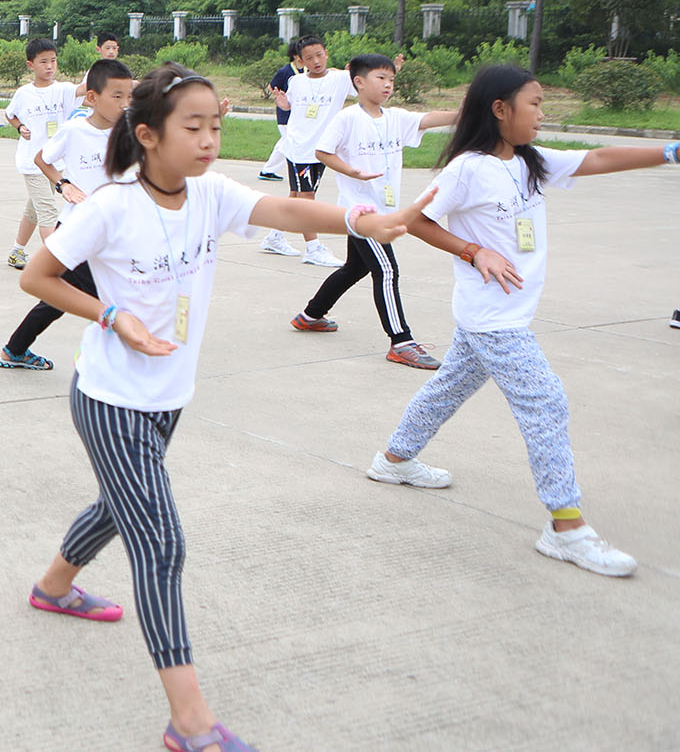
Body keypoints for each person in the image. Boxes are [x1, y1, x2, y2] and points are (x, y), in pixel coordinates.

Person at [20, 63, 426, 752]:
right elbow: (38, 275)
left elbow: (285, 210)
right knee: (161, 542)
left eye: (215, 125)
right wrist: (112, 315)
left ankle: (54, 586)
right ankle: (189, 722)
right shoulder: (110, 206)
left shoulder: (209, 193)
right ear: (148, 135)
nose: (210, 139)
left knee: (121, 503)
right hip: (111, 398)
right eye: (194, 127)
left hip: (169, 394)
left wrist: (362, 219)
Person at [368, 64, 679, 578]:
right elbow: (414, 219)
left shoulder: (529, 160)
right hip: (493, 317)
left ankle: (394, 460)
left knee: (448, 387)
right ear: (500, 109)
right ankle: (566, 528)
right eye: (533, 104)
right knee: (545, 401)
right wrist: (473, 251)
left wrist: (670, 152)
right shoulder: (468, 169)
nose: (541, 113)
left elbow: (597, 158)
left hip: (500, 313)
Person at [291, 53, 457, 368]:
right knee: (387, 270)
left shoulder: (395, 118)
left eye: (391, 79)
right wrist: (351, 171)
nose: (388, 85)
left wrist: (467, 113)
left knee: (356, 268)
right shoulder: (347, 119)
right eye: (381, 78)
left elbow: (428, 119)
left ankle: (311, 315)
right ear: (359, 82)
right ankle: (401, 341)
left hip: (384, 210)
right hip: (361, 214)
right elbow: (323, 151)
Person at [0, 58, 135, 369]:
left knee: (60, 299)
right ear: (92, 97)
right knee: (107, 298)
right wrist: (63, 184)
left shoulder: (129, 131)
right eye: (117, 96)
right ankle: (107, 359)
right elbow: (42, 159)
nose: (125, 103)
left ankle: (15, 349)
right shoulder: (75, 130)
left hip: (112, 232)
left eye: (129, 96)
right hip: (77, 229)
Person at [262, 35, 357, 265]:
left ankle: (274, 236)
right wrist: (283, 104)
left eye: (319, 55)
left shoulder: (341, 79)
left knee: (297, 196)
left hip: (321, 149)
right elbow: (290, 105)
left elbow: (368, 84)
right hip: (299, 147)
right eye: (309, 58)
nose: (315, 61)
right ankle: (313, 248)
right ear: (300, 61)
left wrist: (392, 70)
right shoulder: (296, 81)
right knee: (306, 198)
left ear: (326, 54)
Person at [4, 38, 81, 269]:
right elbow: (10, 114)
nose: (49, 66)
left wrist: (106, 69)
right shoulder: (24, 93)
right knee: (47, 211)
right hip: (32, 163)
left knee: (34, 210)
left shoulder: (64, 90)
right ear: (31, 65)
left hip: (54, 164)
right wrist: (20, 127)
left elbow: (86, 89)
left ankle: (17, 251)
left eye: (53, 61)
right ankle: (57, 264)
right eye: (44, 62)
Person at [256, 45, 299, 183]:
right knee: (288, 142)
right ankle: (269, 170)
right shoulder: (285, 71)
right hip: (285, 114)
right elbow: (272, 86)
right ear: (295, 55)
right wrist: (281, 97)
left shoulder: (307, 71)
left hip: (298, 114)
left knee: (286, 142)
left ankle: (268, 170)